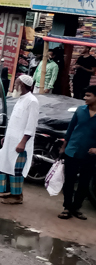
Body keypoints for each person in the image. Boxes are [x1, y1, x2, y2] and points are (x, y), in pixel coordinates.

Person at [0, 75, 39, 205]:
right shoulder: (20, 99)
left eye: (17, 83)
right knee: (7, 166)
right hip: (11, 140)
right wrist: (6, 137)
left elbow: (31, 125)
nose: (14, 86)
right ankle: (11, 193)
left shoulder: (32, 101)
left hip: (20, 142)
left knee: (16, 169)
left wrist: (23, 142)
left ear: (22, 85)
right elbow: (14, 122)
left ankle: (17, 197)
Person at [58, 84, 96, 220]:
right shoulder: (80, 110)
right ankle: (67, 207)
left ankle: (76, 208)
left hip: (90, 155)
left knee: (84, 183)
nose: (85, 98)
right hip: (72, 151)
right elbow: (70, 130)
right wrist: (64, 147)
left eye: (88, 96)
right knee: (69, 180)